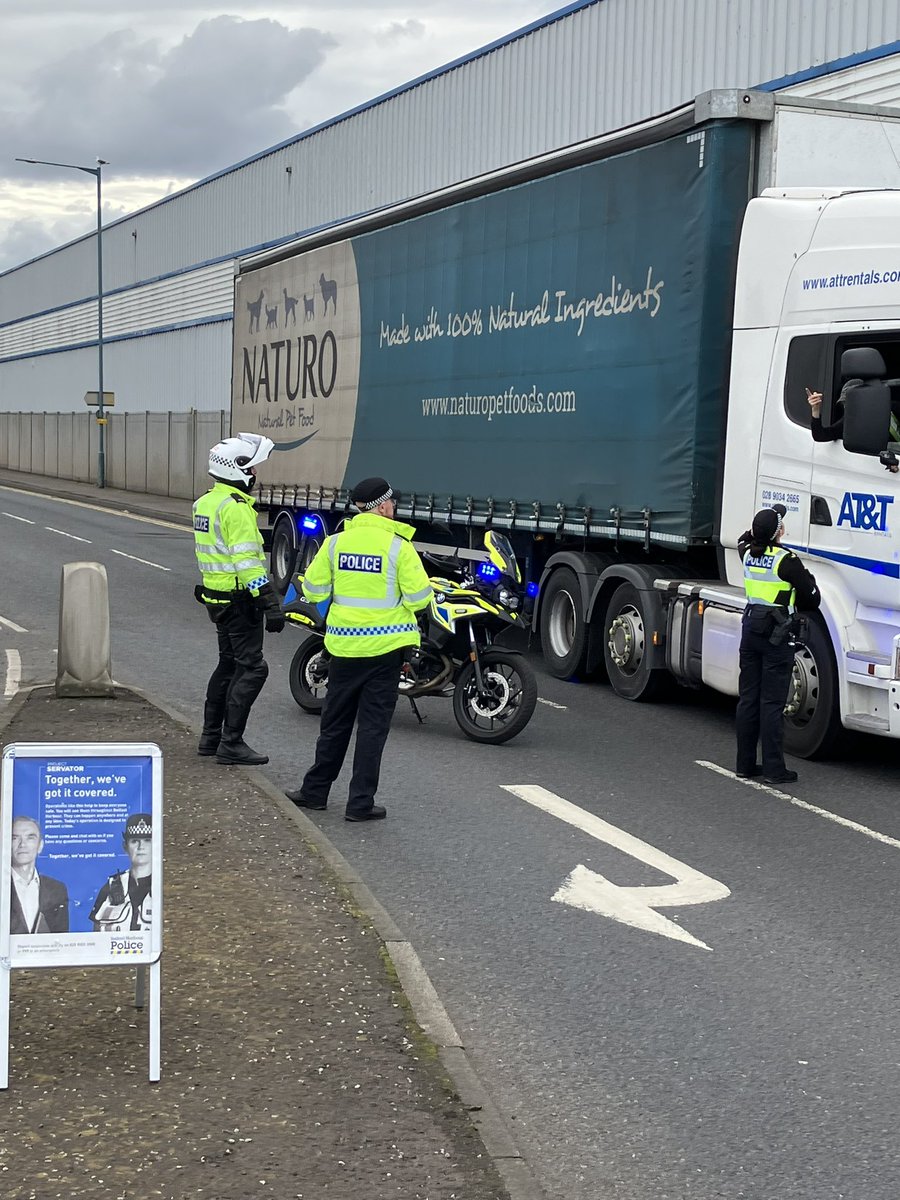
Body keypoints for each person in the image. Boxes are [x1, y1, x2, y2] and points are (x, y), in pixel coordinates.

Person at [285, 477, 433, 821]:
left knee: (334, 725)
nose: (394, 508)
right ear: (382, 506)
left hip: (343, 648)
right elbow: (419, 598)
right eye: (392, 503)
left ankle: (315, 792)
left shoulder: (336, 543)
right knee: (372, 729)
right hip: (385, 652)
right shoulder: (399, 547)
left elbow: (317, 591)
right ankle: (359, 804)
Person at [193, 432, 285, 766]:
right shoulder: (237, 510)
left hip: (216, 599)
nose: (256, 474)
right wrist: (269, 602)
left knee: (228, 664)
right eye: (253, 468)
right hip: (239, 600)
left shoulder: (204, 503)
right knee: (253, 668)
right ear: (238, 469)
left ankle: (210, 737)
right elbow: (247, 562)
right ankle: (231, 742)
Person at [735, 504, 820, 786]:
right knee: (771, 703)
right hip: (777, 636)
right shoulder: (786, 560)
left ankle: (744, 765)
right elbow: (812, 598)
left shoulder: (746, 551)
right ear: (778, 532)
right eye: (780, 525)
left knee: (748, 698)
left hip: (750, 632)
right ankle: (774, 769)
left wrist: (762, 527)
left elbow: (746, 537)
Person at [807, 383, 900, 467]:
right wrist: (816, 410)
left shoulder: (889, 407)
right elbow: (820, 435)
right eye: (845, 404)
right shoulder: (849, 422)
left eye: (853, 403)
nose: (848, 407)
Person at [90, 813, 153, 933]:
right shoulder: (110, 886)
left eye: (147, 840)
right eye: (134, 841)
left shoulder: (162, 885)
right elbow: (96, 934)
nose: (141, 847)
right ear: (125, 846)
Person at [9, 816, 69, 935]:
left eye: (30, 838)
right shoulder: (3, 885)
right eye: (15, 838)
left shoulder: (57, 889)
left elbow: (61, 938)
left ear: (40, 846)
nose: (22, 844)